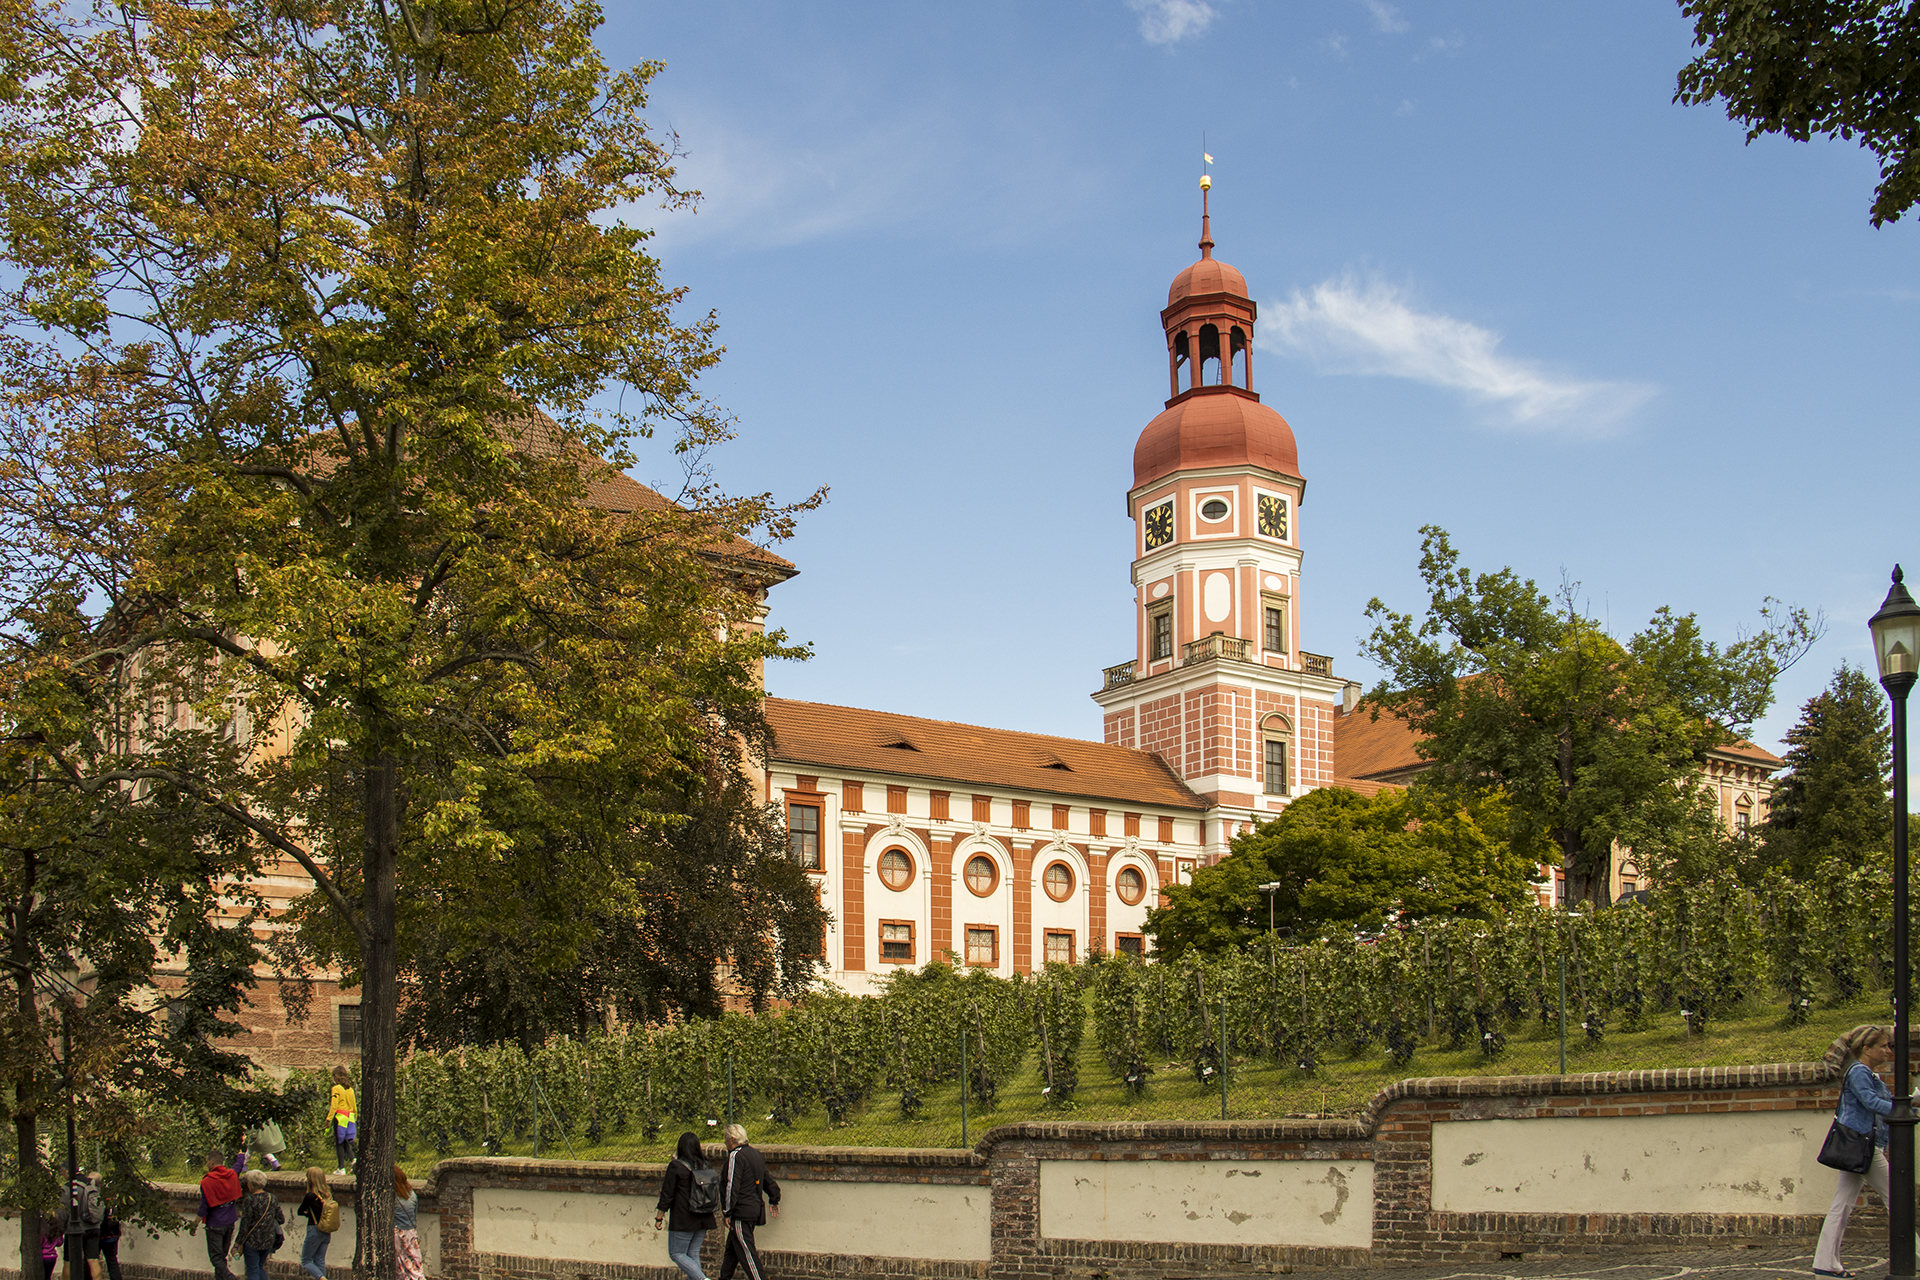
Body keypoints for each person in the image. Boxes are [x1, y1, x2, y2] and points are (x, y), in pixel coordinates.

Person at [1815, 1024, 1917, 1277]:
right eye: (1882, 1046)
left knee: (1843, 1203)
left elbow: (1886, 1102)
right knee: (1897, 1197)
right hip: (1864, 1145)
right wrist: (1906, 1111)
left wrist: (1912, 1104)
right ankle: (1915, 1256)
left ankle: (1825, 1264)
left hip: (1863, 1146)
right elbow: (1871, 1103)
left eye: (1888, 1046)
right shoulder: (1859, 1072)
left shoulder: (1870, 1075)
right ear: (1867, 1048)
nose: (1888, 1051)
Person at [716, 1124, 779, 1280]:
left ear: (732, 1138)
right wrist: (774, 1198)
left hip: (740, 1212)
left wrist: (727, 1211)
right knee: (731, 1252)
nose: (724, 1142)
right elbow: (766, 1179)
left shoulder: (735, 1156)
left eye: (725, 1138)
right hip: (753, 1209)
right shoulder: (755, 1154)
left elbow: (731, 1185)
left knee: (747, 1253)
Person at [655, 1132, 718, 1280]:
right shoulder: (706, 1165)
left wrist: (659, 1217)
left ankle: (703, 1279)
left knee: (676, 1254)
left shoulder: (676, 1167)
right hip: (704, 1215)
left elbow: (667, 1194)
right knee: (693, 1254)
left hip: (684, 1218)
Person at [197, 1148, 249, 1280]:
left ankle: (230, 1278)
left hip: (215, 1224)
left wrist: (194, 1223)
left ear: (212, 1162)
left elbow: (204, 1205)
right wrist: (241, 1153)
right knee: (222, 1258)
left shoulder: (207, 1181)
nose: (206, 1164)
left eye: (207, 1161)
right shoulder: (231, 1175)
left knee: (216, 1258)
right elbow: (239, 1165)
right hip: (229, 1223)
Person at [234, 1168, 283, 1280]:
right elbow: (281, 1219)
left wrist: (238, 1243)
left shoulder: (250, 1200)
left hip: (252, 1241)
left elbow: (245, 1224)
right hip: (268, 1240)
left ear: (251, 1184)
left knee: (252, 1269)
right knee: (259, 1267)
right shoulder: (272, 1198)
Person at [295, 1168, 334, 1280]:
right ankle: (322, 1277)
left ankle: (322, 1278)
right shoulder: (328, 1195)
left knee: (306, 1261)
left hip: (314, 1229)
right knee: (319, 1260)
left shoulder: (310, 1196)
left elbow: (300, 1211)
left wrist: (308, 1214)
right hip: (326, 1231)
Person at [68, 1167, 104, 1280]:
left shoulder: (79, 1188)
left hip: (82, 1227)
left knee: (75, 1259)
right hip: (95, 1226)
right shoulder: (96, 1190)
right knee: (94, 1260)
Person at [393, 1165, 423, 1280]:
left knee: (401, 1267)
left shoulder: (394, 1197)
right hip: (411, 1233)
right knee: (415, 1265)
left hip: (398, 1233)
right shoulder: (412, 1195)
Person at [327, 1066, 357, 1174]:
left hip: (340, 1117)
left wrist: (328, 1119)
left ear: (335, 1076)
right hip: (350, 1117)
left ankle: (341, 1168)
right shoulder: (350, 1090)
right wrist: (354, 1119)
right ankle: (353, 1160)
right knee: (346, 1141)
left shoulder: (336, 1089)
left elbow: (334, 1106)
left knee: (339, 1142)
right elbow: (354, 1106)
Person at [94, 1174, 122, 1280]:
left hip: (100, 1234)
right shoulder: (112, 1197)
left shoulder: (96, 1196)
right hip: (112, 1233)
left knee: (92, 1260)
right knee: (112, 1260)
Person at [40, 1210, 64, 1280]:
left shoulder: (42, 1231)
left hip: (43, 1256)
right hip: (53, 1257)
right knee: (48, 1277)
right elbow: (59, 1243)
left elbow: (40, 1243)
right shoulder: (55, 1230)